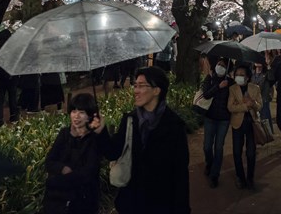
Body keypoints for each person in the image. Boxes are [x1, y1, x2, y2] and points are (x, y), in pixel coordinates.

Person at [97, 67, 190, 214]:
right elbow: (112, 152)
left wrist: (182, 208)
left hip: (161, 202)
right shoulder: (129, 120)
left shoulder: (174, 125)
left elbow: (180, 172)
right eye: (135, 85)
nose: (135, 90)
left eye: (141, 86)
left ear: (156, 90)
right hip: (132, 201)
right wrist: (100, 131)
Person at [43, 93, 101, 214]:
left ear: (90, 115)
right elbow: (50, 161)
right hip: (60, 199)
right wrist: (63, 168)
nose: (76, 116)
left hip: (84, 198)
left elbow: (88, 171)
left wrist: (62, 178)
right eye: (73, 111)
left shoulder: (94, 138)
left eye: (81, 112)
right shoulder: (64, 134)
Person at [227, 63, 262, 190]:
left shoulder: (255, 88)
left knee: (251, 153)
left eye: (242, 75)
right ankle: (240, 177)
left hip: (252, 123)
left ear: (247, 77)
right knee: (237, 152)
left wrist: (252, 103)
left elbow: (260, 105)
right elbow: (230, 107)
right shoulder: (233, 89)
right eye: (237, 75)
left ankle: (250, 178)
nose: (239, 77)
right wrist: (245, 106)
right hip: (237, 123)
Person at [201, 57, 233, 188]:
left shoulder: (230, 82)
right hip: (210, 117)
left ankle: (215, 175)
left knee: (218, 148)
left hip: (224, 120)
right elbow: (206, 95)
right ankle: (209, 164)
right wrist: (218, 87)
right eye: (219, 64)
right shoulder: (210, 79)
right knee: (207, 146)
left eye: (223, 65)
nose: (220, 66)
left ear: (227, 69)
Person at [0, 29, 19, 126]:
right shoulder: (12, 48)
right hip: (12, 76)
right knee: (12, 97)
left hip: (0, 77)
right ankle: (14, 117)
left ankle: (0, 120)